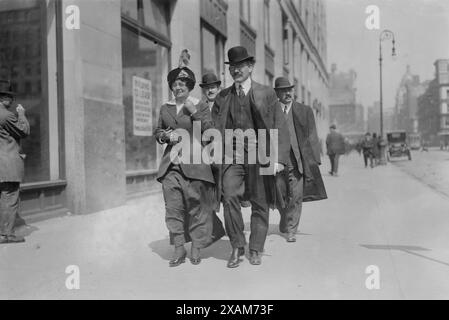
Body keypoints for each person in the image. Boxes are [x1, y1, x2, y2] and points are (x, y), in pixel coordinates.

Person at [211, 46, 290, 267]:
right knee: (229, 197)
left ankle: (256, 248)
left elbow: (279, 126)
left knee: (260, 202)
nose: (236, 70)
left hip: (260, 155)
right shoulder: (223, 97)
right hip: (232, 157)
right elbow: (214, 129)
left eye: (241, 66)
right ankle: (237, 246)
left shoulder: (266, 93)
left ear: (250, 67)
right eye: (233, 67)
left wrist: (278, 159)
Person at [154, 64, 225, 267]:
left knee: (196, 207)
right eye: (175, 84)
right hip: (171, 166)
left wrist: (194, 112)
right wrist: (165, 137)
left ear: (190, 86)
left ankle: (196, 246)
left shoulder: (199, 105)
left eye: (183, 83)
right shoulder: (165, 107)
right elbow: (158, 131)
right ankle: (178, 249)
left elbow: (210, 131)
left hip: (196, 165)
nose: (178, 87)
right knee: (173, 208)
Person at [273, 77, 327, 242]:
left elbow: (312, 135)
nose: (288, 93)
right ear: (277, 93)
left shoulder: (304, 110)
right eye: (283, 90)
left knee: (296, 196)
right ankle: (284, 216)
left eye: (290, 89)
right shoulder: (270, 111)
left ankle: (291, 229)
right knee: (279, 194)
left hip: (298, 160)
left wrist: (314, 160)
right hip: (277, 161)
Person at [0, 80, 30, 244]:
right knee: (9, 198)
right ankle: (6, 235)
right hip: (7, 164)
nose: (11, 101)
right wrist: (22, 114)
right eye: (10, 97)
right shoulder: (6, 114)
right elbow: (24, 131)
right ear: (3, 98)